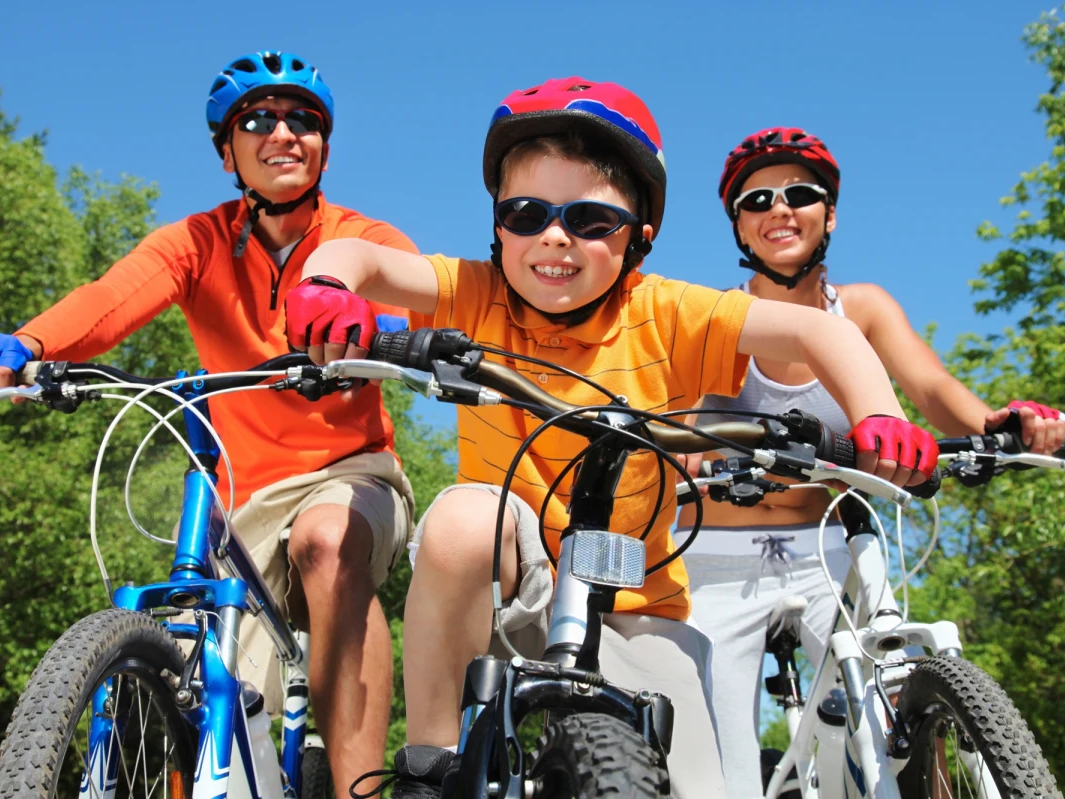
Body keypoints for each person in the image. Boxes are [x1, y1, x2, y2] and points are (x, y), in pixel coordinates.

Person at [283, 79, 940, 799]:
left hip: (637, 607)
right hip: (508, 586)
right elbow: (359, 257)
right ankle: (430, 768)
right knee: (462, 520)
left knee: (705, 790)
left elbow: (819, 331)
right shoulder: (475, 292)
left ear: (639, 236)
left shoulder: (669, 313)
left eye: (590, 219)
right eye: (525, 214)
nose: (553, 237)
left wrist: (879, 415)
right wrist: (327, 286)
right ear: (498, 226)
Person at [0, 51, 417, 796]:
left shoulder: (360, 237)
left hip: (350, 474)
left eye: (303, 120)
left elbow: (406, 298)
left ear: (325, 148)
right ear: (227, 152)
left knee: (326, 543)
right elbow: (111, 298)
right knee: (214, 683)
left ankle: (359, 789)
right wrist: (29, 345)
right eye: (257, 120)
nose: (283, 133)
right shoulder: (197, 243)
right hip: (243, 494)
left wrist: (374, 328)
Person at [674, 126, 1065, 799]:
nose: (779, 209)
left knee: (892, 713)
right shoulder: (715, 317)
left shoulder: (864, 309)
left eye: (800, 194)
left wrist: (1000, 424)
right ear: (738, 226)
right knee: (719, 772)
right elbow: (678, 429)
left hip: (831, 548)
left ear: (829, 214)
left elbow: (933, 389)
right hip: (718, 556)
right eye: (757, 200)